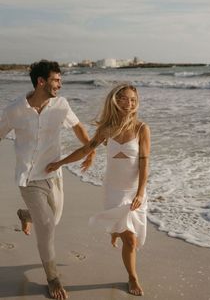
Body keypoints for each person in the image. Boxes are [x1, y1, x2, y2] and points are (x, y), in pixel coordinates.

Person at [0, 60, 95, 300]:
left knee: (54, 217)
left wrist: (90, 149)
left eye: (60, 80)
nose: (60, 85)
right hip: (28, 177)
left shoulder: (61, 105)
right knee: (47, 225)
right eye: (56, 80)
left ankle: (26, 214)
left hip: (53, 174)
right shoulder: (14, 109)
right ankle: (52, 277)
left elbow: (77, 126)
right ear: (41, 81)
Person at [46, 83, 150, 296]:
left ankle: (116, 232)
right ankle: (132, 275)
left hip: (133, 190)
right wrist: (60, 163)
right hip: (113, 189)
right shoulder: (106, 129)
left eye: (133, 100)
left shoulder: (142, 128)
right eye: (124, 99)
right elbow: (86, 149)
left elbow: (144, 163)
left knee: (132, 237)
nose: (129, 104)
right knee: (129, 239)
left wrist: (140, 192)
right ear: (115, 101)